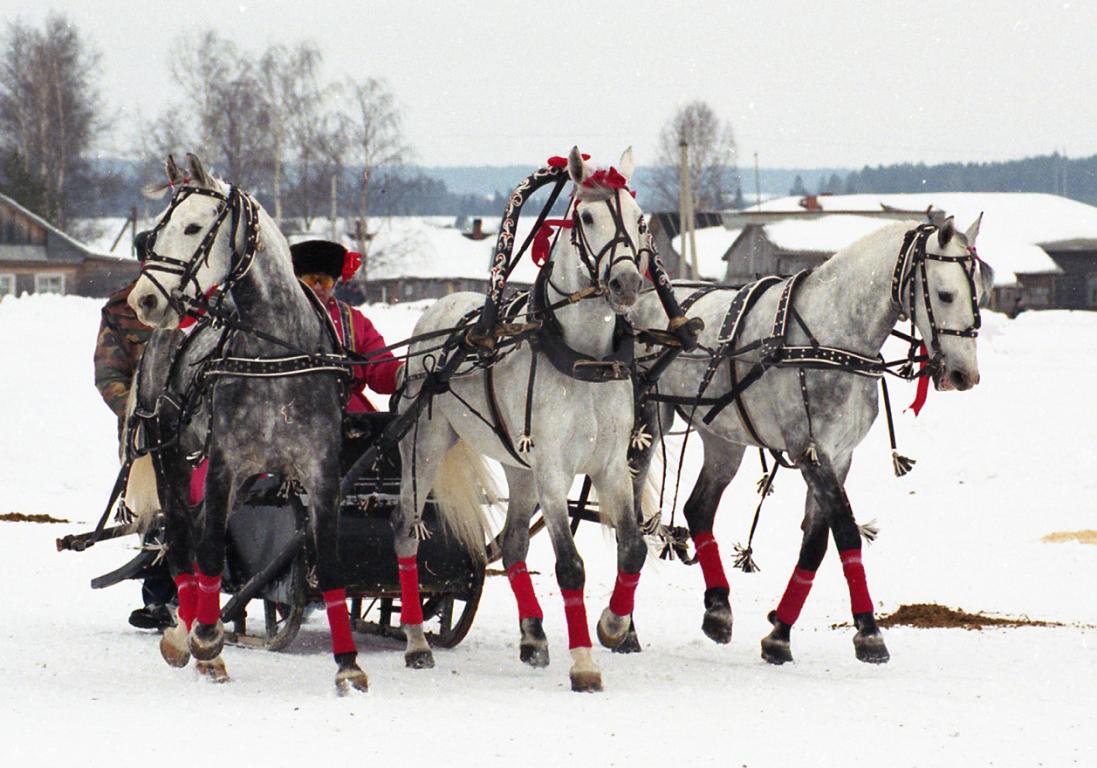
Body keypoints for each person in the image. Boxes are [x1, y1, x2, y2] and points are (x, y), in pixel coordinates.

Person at [93, 231, 176, 631]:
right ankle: (161, 599)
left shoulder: (207, 307)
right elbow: (109, 374)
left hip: (209, 428)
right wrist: (137, 415)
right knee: (154, 515)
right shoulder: (121, 310)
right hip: (149, 432)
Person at [290, 240, 403, 411]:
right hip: (291, 408)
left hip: (347, 411)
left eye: (325, 280)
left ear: (334, 283)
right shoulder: (280, 316)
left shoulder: (355, 320)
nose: (318, 287)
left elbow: (378, 363)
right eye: (311, 279)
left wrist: (400, 373)